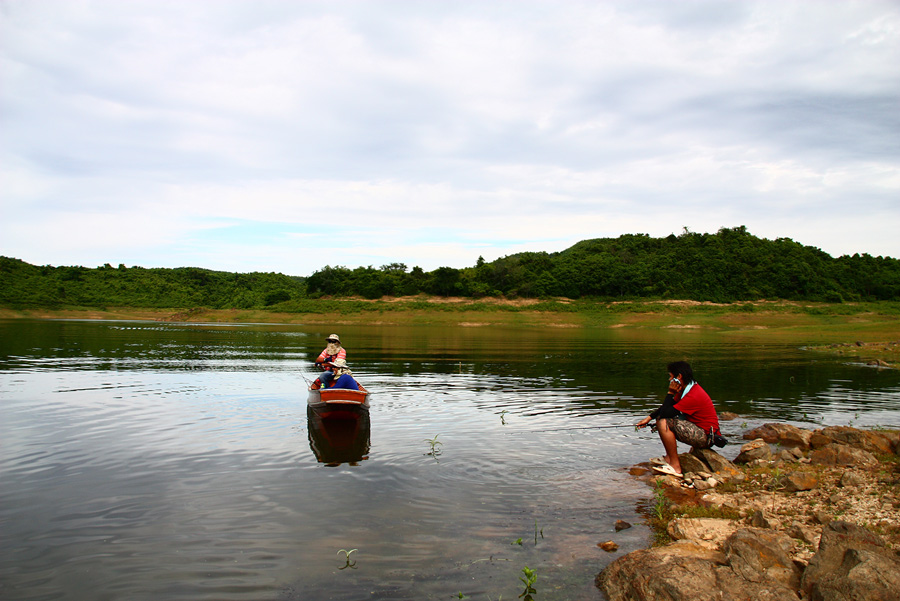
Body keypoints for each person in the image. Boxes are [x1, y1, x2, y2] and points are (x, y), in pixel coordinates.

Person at [635, 361, 721, 477]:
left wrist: (670, 393)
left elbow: (666, 413)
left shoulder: (693, 395)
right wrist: (649, 418)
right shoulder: (687, 389)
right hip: (702, 432)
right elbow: (668, 407)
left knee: (663, 422)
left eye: (670, 377)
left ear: (679, 377)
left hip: (705, 437)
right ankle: (669, 458)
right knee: (661, 418)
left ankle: (675, 467)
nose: (669, 380)